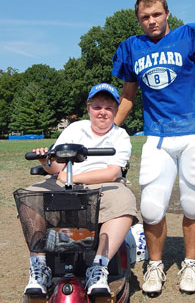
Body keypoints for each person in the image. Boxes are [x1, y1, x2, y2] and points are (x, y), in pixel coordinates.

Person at [112, 0, 195, 295]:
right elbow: (127, 96)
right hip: (158, 136)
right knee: (150, 208)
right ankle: (155, 264)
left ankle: (190, 262)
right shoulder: (132, 48)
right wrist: (107, 130)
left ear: (167, 14)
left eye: (156, 14)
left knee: (193, 203)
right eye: (145, 17)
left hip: (194, 133)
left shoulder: (189, 37)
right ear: (138, 19)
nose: (151, 21)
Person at [21, 83, 138, 297]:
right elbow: (57, 167)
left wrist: (73, 177)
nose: (103, 112)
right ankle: (39, 267)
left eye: (108, 108)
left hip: (102, 183)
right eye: (97, 107)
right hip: (65, 179)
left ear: (115, 110)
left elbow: (112, 173)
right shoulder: (74, 129)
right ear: (89, 108)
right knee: (31, 196)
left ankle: (99, 267)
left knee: (125, 200)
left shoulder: (120, 136)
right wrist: (44, 160)